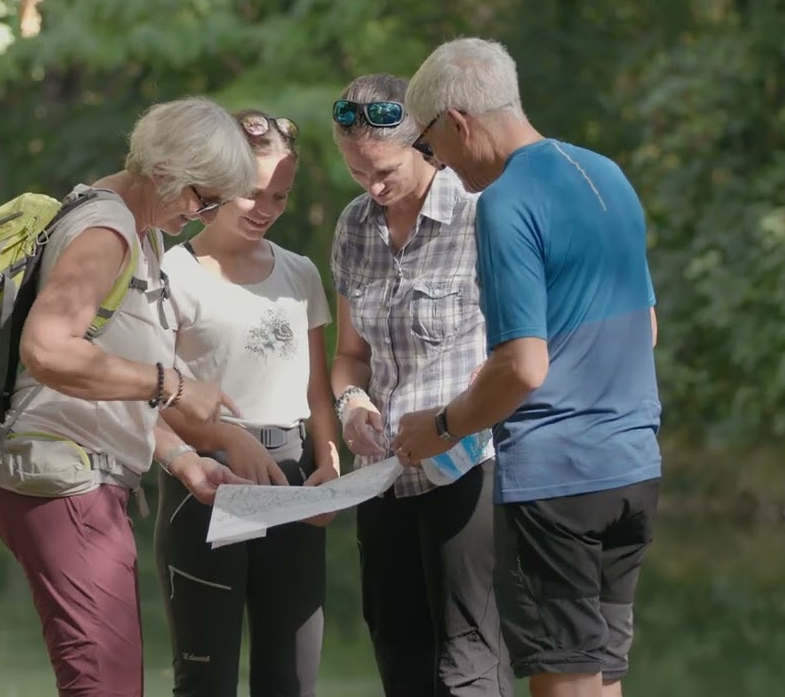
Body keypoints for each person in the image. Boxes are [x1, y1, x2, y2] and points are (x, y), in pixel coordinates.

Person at [392, 38, 663, 697]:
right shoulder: (606, 173)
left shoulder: (506, 203)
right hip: (634, 468)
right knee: (601, 677)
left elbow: (522, 366)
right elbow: (648, 328)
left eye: (430, 147)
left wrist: (443, 426)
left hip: (558, 484)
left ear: (456, 123)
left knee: (562, 679)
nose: (441, 165)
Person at [0, 96, 260, 697]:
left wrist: (184, 461)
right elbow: (49, 351)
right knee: (103, 687)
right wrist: (173, 385)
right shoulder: (105, 230)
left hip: (82, 482)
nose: (206, 215)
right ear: (165, 173)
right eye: (202, 198)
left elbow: (97, 379)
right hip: (67, 484)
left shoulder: (135, 230)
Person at [328, 73, 513, 697]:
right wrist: (350, 404)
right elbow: (350, 356)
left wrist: (456, 417)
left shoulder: (480, 213)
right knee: (396, 649)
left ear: (423, 145)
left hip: (467, 468)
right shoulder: (354, 227)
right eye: (358, 173)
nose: (373, 187)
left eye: (384, 170)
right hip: (382, 478)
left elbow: (518, 350)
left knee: (468, 661)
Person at [154, 110, 340, 697]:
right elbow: (149, 396)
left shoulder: (301, 273)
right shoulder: (171, 272)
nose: (265, 209)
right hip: (206, 483)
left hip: (292, 478)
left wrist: (331, 466)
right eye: (252, 193)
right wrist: (204, 446)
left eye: (280, 197)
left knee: (290, 683)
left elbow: (316, 392)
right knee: (205, 683)